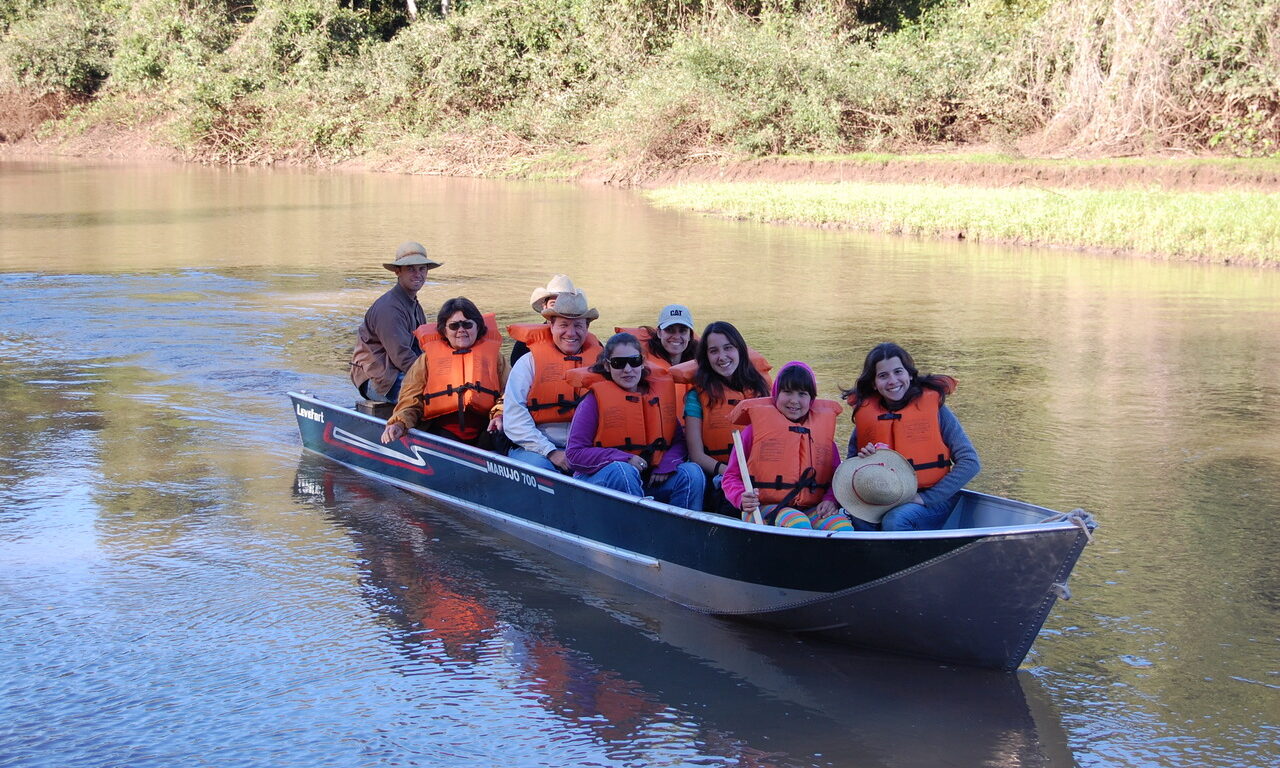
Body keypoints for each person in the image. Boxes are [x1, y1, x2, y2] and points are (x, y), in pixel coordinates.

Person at [841, 342, 980, 531]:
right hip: (884, 499)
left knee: (896, 520)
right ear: (874, 383)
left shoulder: (936, 411)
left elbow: (970, 462)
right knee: (858, 518)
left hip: (932, 499)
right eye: (883, 376)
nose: (892, 381)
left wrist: (924, 498)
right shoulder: (867, 414)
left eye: (898, 372)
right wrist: (863, 462)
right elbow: (850, 469)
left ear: (910, 375)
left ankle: (903, 559)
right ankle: (875, 560)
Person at [564, 333, 705, 510]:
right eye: (619, 363)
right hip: (602, 479)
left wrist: (666, 464)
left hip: (648, 478)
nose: (628, 369)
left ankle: (684, 532)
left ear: (643, 362)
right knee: (623, 472)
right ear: (607, 366)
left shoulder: (656, 397)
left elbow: (679, 442)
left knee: (692, 473)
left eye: (634, 361)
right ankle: (642, 530)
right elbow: (573, 455)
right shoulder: (593, 401)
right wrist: (623, 458)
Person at [722, 362, 852, 531]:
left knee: (842, 527)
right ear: (776, 394)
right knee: (797, 523)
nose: (794, 400)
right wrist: (741, 497)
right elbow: (730, 477)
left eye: (802, 394)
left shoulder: (824, 437)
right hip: (761, 509)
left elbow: (836, 478)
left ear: (811, 399)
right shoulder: (752, 432)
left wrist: (830, 500)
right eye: (787, 392)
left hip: (811, 509)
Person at [668, 321, 771, 512]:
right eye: (713, 351)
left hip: (758, 474)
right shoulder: (696, 396)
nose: (722, 357)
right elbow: (696, 454)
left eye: (728, 348)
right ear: (706, 357)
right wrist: (730, 473)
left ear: (739, 349)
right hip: (719, 474)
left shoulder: (761, 390)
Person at [379, 297, 507, 448]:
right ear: (444, 330)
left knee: (501, 434)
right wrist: (399, 423)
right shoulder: (425, 361)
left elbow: (509, 395)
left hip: (486, 431)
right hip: (441, 433)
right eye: (454, 326)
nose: (461, 330)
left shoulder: (496, 359)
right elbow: (410, 400)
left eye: (467, 324)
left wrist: (500, 415)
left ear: (477, 327)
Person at [503, 291, 604, 472]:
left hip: (586, 449)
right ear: (551, 325)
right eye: (564, 324)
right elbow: (514, 419)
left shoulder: (602, 365)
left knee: (616, 470)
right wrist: (550, 452)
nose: (571, 333)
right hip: (536, 450)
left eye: (578, 325)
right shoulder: (528, 363)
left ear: (587, 326)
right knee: (542, 470)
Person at [350, 241, 442, 403]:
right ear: (398, 272)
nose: (418, 274)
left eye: (422, 269)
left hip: (397, 372)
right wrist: (434, 377)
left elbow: (421, 347)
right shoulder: (389, 308)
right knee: (434, 397)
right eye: (410, 269)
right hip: (378, 379)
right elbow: (402, 357)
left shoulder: (413, 304)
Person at [512, 274, 578, 366]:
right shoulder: (524, 345)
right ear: (544, 308)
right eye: (553, 304)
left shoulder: (581, 339)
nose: (559, 310)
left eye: (566, 304)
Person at [615, 304, 698, 371]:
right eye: (669, 330)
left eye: (682, 331)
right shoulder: (638, 362)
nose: (676, 336)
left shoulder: (703, 361)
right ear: (659, 333)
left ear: (690, 335)